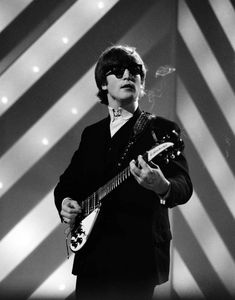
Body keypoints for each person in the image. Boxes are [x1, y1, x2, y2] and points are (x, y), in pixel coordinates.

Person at [54, 45, 193, 300]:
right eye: (118, 71)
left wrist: (162, 185)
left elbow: (183, 184)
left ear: (141, 83)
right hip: (93, 254)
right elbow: (67, 184)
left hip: (137, 257)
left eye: (135, 71)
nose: (128, 75)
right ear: (103, 84)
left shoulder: (161, 130)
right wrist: (66, 203)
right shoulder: (91, 134)